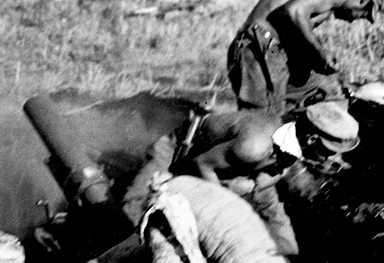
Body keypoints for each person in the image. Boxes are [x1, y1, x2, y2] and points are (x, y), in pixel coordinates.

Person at [122, 101, 361, 259]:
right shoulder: (255, 146)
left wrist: (252, 186)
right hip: (182, 153)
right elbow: (202, 165)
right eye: (330, 151)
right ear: (310, 140)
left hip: (238, 170)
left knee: (284, 242)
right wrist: (230, 203)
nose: (334, 159)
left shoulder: (292, 141)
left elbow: (273, 174)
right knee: (134, 208)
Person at [227, 0, 384, 117]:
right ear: (363, 1)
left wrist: (317, 60)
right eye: (363, 15)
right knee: (261, 123)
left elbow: (293, 28)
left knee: (323, 91)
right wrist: (320, 52)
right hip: (257, 48)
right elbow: (294, 10)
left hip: (270, 49)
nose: (352, 21)